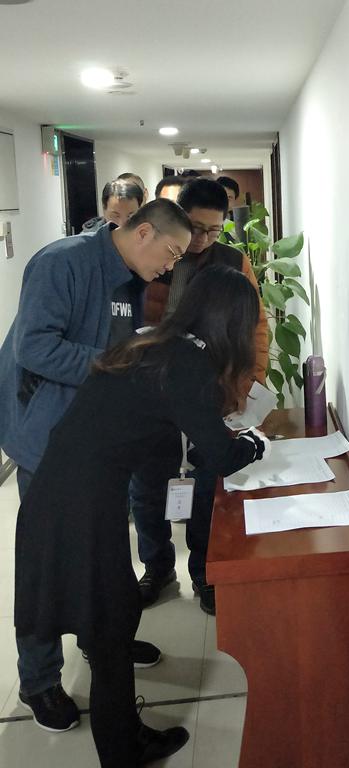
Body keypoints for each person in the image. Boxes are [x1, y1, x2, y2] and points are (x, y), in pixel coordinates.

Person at [14, 265, 268, 767]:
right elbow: (219, 456)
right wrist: (255, 445)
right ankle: (124, 751)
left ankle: (126, 738)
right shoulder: (188, 363)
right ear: (231, 322)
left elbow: (162, 430)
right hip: (81, 506)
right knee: (110, 632)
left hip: (66, 491)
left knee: (114, 616)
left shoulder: (153, 342)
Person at [0, 198, 192, 733]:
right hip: (47, 438)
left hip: (98, 439)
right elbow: (35, 348)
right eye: (171, 252)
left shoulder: (130, 278)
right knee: (47, 564)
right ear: (143, 232)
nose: (170, 267)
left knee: (104, 552)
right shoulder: (62, 262)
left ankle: (104, 641)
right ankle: (39, 680)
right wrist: (119, 364)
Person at [134, 178, 269, 614]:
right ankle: (157, 568)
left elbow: (255, 326)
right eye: (196, 228)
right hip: (152, 396)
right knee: (149, 489)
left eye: (214, 230)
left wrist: (248, 384)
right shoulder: (153, 255)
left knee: (203, 490)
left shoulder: (232, 261)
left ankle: (205, 574)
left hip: (208, 395)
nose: (203, 239)